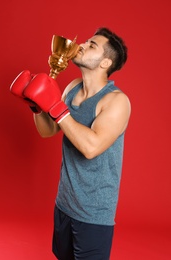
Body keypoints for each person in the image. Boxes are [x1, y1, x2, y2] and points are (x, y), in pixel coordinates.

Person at [10, 27, 131, 260]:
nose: (82, 45)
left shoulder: (117, 101)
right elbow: (49, 131)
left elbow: (91, 148)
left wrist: (55, 107)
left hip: (94, 213)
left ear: (105, 63)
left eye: (92, 45)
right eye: (86, 41)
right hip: (64, 203)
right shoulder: (73, 86)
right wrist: (36, 105)